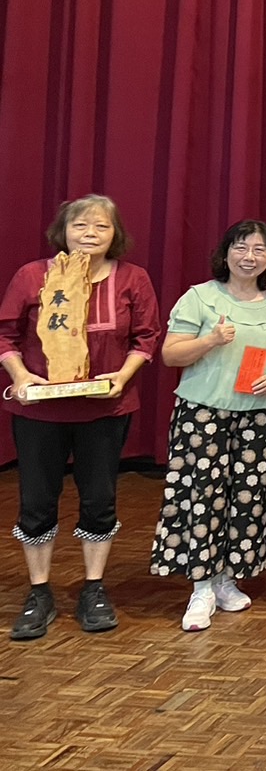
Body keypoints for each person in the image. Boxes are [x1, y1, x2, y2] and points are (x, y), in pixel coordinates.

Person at [1, 195, 161, 639]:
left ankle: (93, 588)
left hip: (105, 409)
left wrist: (123, 376)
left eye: (101, 227)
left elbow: (147, 337)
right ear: (63, 231)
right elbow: (6, 334)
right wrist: (22, 375)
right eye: (80, 225)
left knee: (99, 498)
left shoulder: (132, 278)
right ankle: (39, 592)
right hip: (40, 411)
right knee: (36, 501)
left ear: (115, 234)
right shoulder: (32, 276)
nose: (90, 234)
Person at [150, 219, 266, 631]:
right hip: (203, 413)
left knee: (247, 498)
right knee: (203, 496)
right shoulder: (200, 297)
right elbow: (170, 354)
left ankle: (226, 579)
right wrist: (210, 341)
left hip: (258, 415)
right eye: (240, 247)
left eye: (259, 249)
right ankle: (201, 587)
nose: (249, 257)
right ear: (225, 253)